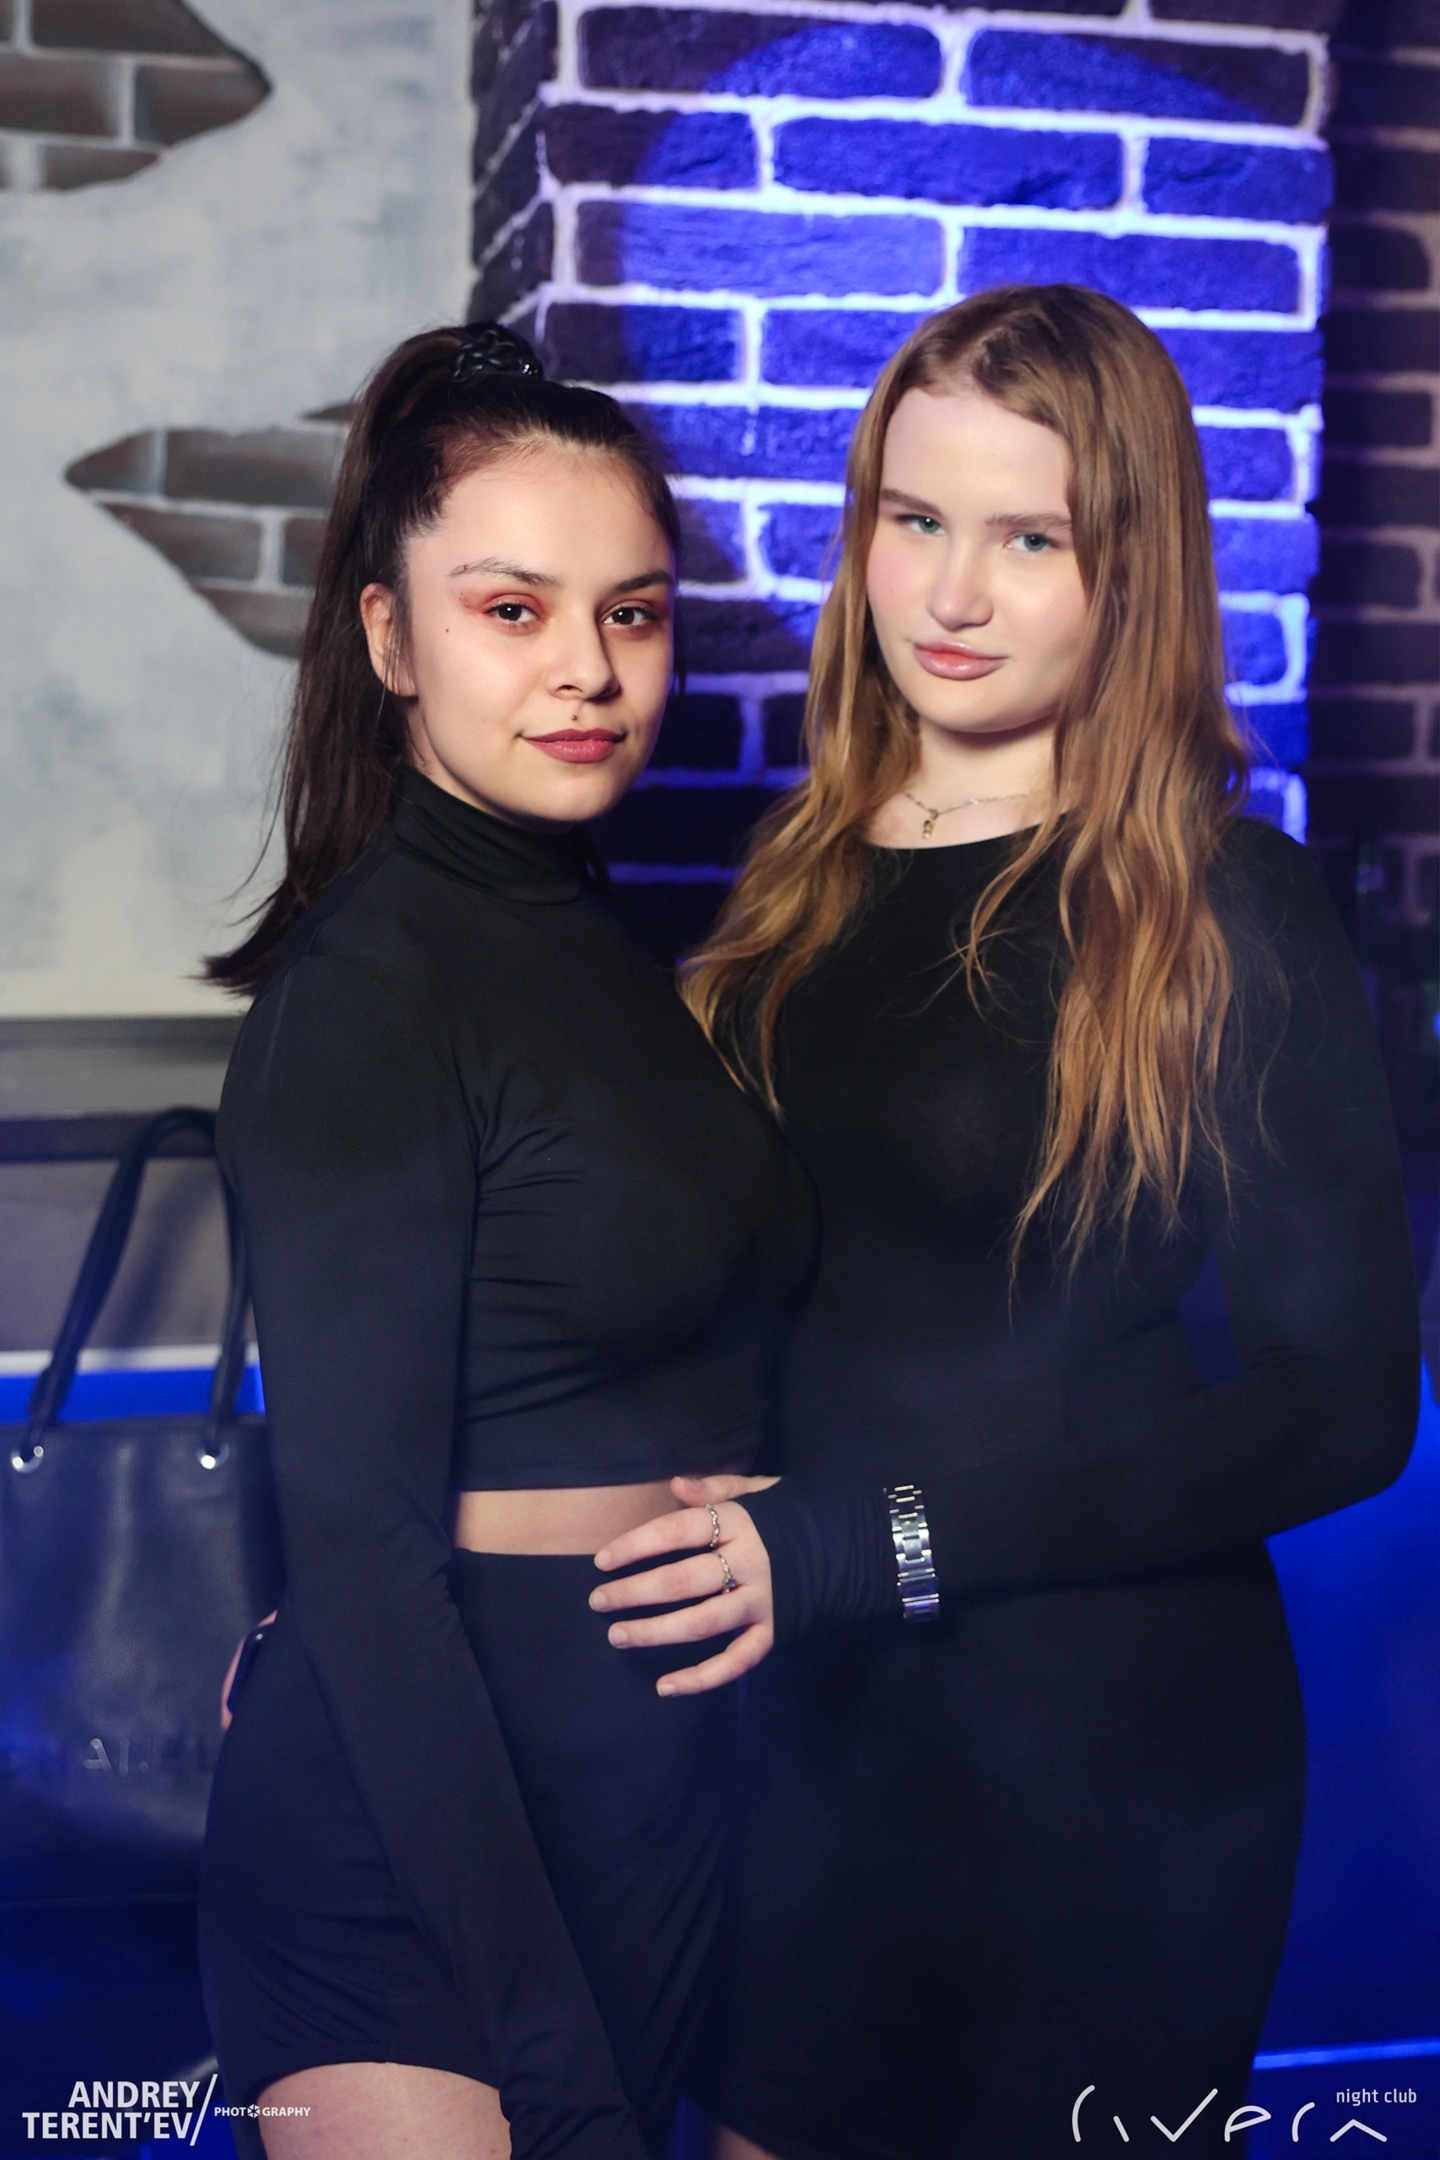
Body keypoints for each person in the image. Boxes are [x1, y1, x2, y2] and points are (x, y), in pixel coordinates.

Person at [585, 286, 1421, 2157]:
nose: (952, 594)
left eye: (1030, 538)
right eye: (916, 517)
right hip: (816, 1724)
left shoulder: (1222, 904)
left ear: (1131, 568)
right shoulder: (792, 882)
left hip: (1108, 1765)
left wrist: (867, 1539)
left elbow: (1343, 1406)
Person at [196, 321, 813, 2160]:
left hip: (665, 1799)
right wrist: (548, 2055)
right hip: (419, 1859)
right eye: (512, 610)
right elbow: (368, 1568)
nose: (587, 670)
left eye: (632, 613)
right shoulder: (366, 993)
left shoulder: (612, 956)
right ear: (392, 638)